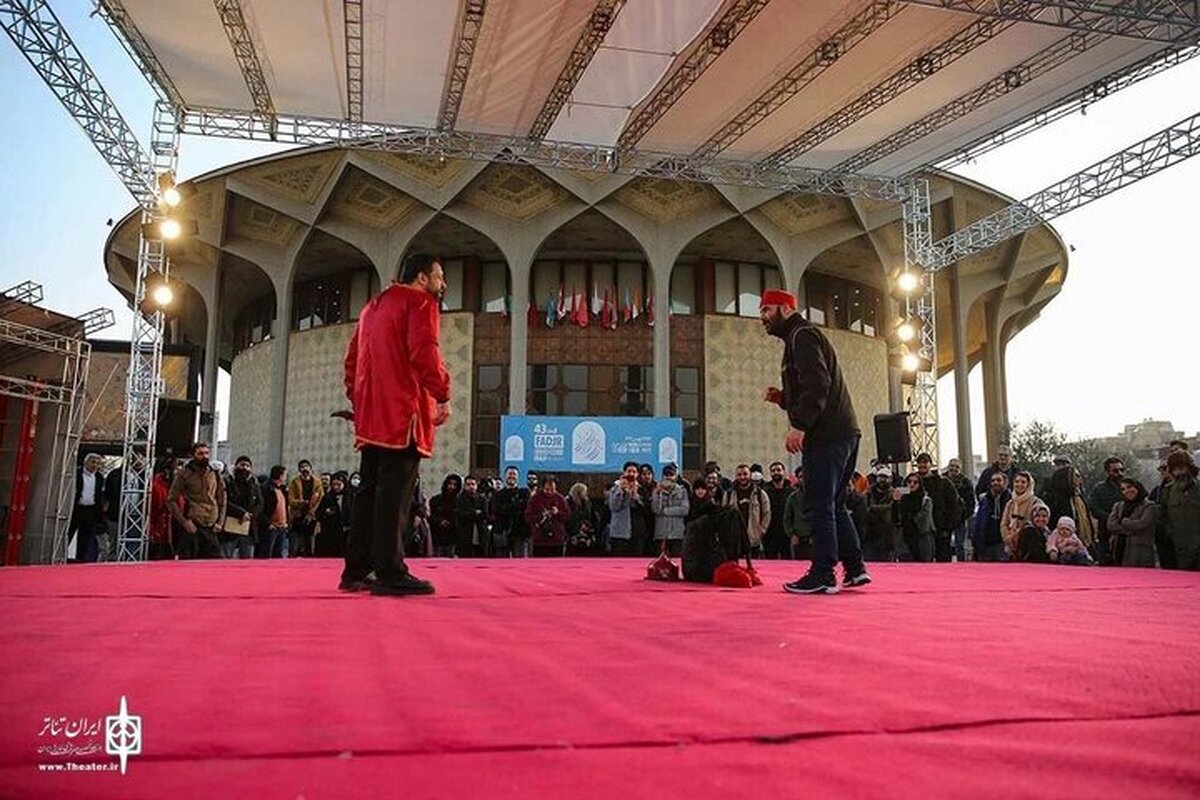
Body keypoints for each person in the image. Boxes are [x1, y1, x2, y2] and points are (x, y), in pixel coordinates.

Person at [340, 253, 450, 595]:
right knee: (395, 497)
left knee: (369, 492)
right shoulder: (419, 303)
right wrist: (442, 392)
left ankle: (356, 570)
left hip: (372, 413)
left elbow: (352, 361)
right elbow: (424, 352)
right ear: (421, 278)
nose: (442, 284)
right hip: (404, 412)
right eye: (439, 276)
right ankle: (390, 571)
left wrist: (359, 400)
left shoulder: (372, 307)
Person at [761, 288, 867, 594]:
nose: (763, 319)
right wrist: (782, 399)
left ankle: (822, 573)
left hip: (827, 435)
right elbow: (813, 387)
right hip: (844, 432)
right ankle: (855, 569)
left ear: (785, 308)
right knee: (834, 504)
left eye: (767, 310)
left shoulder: (802, 337)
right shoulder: (800, 338)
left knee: (818, 504)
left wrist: (799, 425)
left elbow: (818, 384)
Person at [167, 441, 226, 559]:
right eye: (200, 453)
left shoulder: (215, 473)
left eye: (206, 453)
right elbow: (171, 500)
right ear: (194, 455)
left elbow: (222, 498)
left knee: (215, 563)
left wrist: (220, 521)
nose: (204, 456)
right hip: (193, 524)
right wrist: (183, 521)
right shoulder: (184, 474)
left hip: (211, 524)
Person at [914, 453, 961, 563]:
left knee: (943, 562)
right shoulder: (912, 482)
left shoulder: (943, 482)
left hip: (941, 529)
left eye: (925, 462)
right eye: (919, 463)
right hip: (920, 532)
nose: (922, 465)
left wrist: (949, 527)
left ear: (930, 464)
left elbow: (955, 505)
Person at [1161, 451, 1200, 570]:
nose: (1179, 473)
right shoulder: (1168, 491)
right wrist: (1170, 533)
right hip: (1179, 548)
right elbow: (1163, 516)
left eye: (1182, 468)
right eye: (1175, 469)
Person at [721, 464, 771, 556]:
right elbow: (723, 515)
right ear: (736, 476)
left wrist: (762, 531)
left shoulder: (760, 494)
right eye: (739, 475)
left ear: (750, 475)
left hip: (753, 539)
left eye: (745, 474)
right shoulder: (728, 494)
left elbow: (766, 514)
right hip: (735, 540)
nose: (742, 477)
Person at [1107, 479, 1157, 567]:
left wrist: (1124, 521)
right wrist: (1130, 531)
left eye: (1129, 487)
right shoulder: (1118, 506)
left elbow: (1142, 525)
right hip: (1120, 550)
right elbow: (1111, 525)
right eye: (1123, 489)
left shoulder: (1149, 506)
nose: (1126, 491)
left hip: (1140, 553)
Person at [222, 455, 263, 559]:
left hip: (248, 528)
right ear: (236, 466)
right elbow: (224, 501)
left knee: (247, 561)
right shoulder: (227, 482)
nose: (245, 468)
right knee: (225, 558)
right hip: (230, 527)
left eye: (247, 466)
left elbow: (260, 503)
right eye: (242, 465)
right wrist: (241, 513)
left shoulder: (254, 484)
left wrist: (250, 515)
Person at [1088, 457, 1127, 565]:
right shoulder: (1099, 489)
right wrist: (1111, 518)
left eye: (1121, 470)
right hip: (1105, 533)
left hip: (1125, 534)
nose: (1119, 473)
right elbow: (1094, 509)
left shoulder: (1129, 488)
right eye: (1115, 471)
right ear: (1108, 472)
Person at [69, 453, 106, 563]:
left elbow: (98, 496)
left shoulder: (99, 477)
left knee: (85, 537)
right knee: (69, 533)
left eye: (98, 463)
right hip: (77, 509)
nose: (95, 465)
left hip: (90, 510)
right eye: (93, 462)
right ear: (86, 462)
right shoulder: (76, 474)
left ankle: (80, 559)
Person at [650, 463, 690, 557]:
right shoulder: (656, 490)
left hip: (677, 533)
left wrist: (665, 511)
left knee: (677, 560)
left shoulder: (682, 491)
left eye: (671, 474)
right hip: (661, 533)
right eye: (666, 475)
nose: (669, 477)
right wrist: (659, 493)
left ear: (675, 476)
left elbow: (684, 510)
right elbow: (655, 509)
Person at [287, 460, 324, 558]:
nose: (305, 469)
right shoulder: (294, 482)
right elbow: (291, 500)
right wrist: (300, 503)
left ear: (311, 468)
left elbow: (320, 499)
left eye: (307, 466)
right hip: (297, 516)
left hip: (311, 517)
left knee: (310, 546)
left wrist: (312, 512)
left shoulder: (317, 483)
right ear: (299, 470)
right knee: (294, 546)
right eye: (302, 467)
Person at [971, 472, 1012, 562]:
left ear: (1005, 483)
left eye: (998, 480)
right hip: (985, 545)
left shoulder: (1011, 501)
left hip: (1002, 545)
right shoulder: (985, 500)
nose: (995, 483)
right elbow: (979, 522)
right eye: (993, 480)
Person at [492, 466, 531, 558]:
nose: (512, 476)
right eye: (510, 474)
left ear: (518, 477)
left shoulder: (524, 492)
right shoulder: (498, 494)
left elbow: (524, 508)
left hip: (520, 532)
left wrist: (508, 507)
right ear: (505, 476)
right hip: (502, 531)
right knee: (501, 563)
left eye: (514, 474)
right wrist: (516, 505)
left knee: (520, 561)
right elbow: (498, 510)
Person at [525, 474, 569, 556]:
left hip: (557, 540)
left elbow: (567, 516)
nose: (549, 492)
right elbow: (528, 517)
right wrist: (541, 516)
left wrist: (557, 513)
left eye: (552, 490)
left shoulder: (560, 499)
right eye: (547, 489)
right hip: (539, 540)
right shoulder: (535, 498)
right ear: (542, 487)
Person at [895, 473, 935, 562]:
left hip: (921, 538)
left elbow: (924, 520)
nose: (912, 484)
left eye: (915, 482)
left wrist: (911, 520)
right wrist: (895, 502)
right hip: (905, 538)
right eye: (909, 482)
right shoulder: (902, 500)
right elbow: (895, 518)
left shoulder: (925, 500)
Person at [607, 462, 643, 556]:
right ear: (624, 473)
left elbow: (645, 509)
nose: (631, 474)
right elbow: (614, 507)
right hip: (620, 532)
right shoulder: (614, 489)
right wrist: (621, 491)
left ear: (637, 474)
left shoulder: (642, 489)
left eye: (634, 472)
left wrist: (635, 495)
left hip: (637, 532)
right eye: (629, 471)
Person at [315, 472, 353, 558]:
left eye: (338, 484)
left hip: (347, 532)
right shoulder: (328, 497)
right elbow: (318, 513)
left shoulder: (350, 496)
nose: (336, 487)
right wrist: (326, 512)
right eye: (334, 485)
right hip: (331, 532)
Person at [862, 467, 896, 561]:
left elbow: (891, 509)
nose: (882, 480)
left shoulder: (894, 494)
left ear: (890, 479)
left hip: (887, 536)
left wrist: (873, 508)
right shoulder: (868, 493)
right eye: (880, 477)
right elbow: (864, 510)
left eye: (885, 478)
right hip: (869, 535)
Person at [944, 458, 975, 562]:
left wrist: (964, 515)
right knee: (945, 545)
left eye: (956, 467)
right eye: (952, 466)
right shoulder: (942, 480)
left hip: (960, 519)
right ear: (948, 467)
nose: (954, 469)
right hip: (945, 519)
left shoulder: (966, 482)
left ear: (960, 469)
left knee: (960, 545)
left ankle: (961, 565)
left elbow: (971, 502)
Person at [1001, 471, 1038, 558]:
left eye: (1023, 482)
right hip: (1011, 546)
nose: (1019, 484)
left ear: (1028, 484)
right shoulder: (1010, 503)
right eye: (1017, 482)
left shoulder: (1035, 502)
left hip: (1028, 546)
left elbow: (1034, 523)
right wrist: (1007, 538)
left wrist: (1016, 535)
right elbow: (1004, 523)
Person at [762, 461, 794, 559]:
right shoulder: (765, 492)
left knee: (787, 561)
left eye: (778, 470)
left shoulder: (791, 492)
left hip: (787, 533)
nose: (776, 472)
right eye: (773, 471)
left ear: (784, 472)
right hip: (770, 533)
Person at [1148, 460, 1177, 570]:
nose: (1162, 472)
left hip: (1181, 535)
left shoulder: (1188, 488)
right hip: (1163, 536)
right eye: (1160, 469)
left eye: (1165, 468)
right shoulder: (1157, 491)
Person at [148, 458, 177, 561]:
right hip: (160, 530)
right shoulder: (156, 486)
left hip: (172, 530)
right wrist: (152, 531)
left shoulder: (176, 485)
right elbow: (151, 511)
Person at [258, 466, 290, 558]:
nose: (285, 478)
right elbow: (261, 508)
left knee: (279, 555)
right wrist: (268, 523)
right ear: (280, 476)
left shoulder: (282, 489)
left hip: (282, 527)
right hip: (271, 527)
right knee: (266, 554)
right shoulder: (265, 489)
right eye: (285, 475)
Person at [455, 475, 488, 558]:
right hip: (465, 534)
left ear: (476, 485)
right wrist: (475, 513)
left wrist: (471, 513)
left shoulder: (482, 499)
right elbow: (461, 515)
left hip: (480, 532)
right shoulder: (460, 499)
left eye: (473, 484)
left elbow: (485, 515)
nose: (471, 487)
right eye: (468, 484)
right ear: (465, 486)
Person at [430, 474, 462, 557]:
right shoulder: (436, 500)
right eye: (450, 484)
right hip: (438, 535)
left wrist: (451, 522)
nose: (451, 487)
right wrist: (440, 521)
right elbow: (431, 516)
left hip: (453, 536)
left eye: (454, 485)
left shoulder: (460, 501)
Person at [566, 482, 599, 555]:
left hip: (587, 534)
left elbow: (593, 516)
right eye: (584, 491)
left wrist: (591, 528)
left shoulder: (587, 503)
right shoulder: (568, 503)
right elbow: (568, 518)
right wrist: (578, 527)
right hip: (573, 534)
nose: (586, 493)